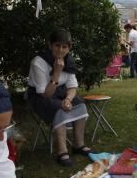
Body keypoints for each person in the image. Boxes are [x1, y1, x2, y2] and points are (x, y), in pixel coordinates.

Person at [27, 28, 90, 167]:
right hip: (40, 96)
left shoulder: (69, 61)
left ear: (69, 47)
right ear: (50, 45)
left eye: (64, 47)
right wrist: (56, 73)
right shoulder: (39, 62)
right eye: (57, 45)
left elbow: (72, 86)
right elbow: (45, 94)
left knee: (80, 104)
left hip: (60, 93)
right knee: (59, 108)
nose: (60, 50)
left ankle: (78, 145)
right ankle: (62, 151)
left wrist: (68, 99)